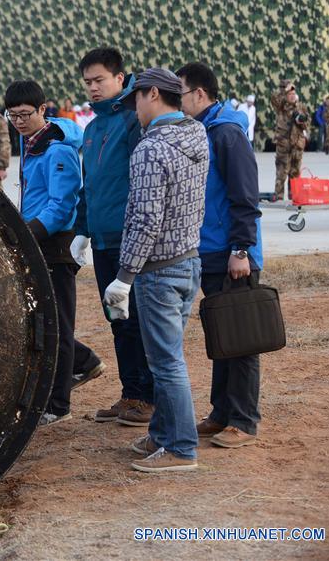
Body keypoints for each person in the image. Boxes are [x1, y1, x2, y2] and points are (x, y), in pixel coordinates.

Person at [107, 67, 208, 473]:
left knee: (166, 363)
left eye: (135, 98)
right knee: (167, 359)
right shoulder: (194, 135)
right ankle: (163, 434)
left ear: (151, 95)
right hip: (187, 261)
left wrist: (125, 276)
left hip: (158, 271)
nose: (134, 107)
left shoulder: (150, 149)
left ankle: (181, 448)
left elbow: (145, 219)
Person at [177, 62, 264, 450]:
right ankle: (220, 412)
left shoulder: (227, 133)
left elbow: (245, 196)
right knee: (220, 334)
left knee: (241, 337)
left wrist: (241, 249)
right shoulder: (203, 131)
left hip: (233, 252)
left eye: (179, 94)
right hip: (209, 250)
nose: (175, 103)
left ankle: (244, 419)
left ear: (199, 94)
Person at [5, 79, 101, 426]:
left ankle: (58, 406)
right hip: (38, 238)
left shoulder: (57, 149)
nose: (18, 121)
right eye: (13, 115)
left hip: (55, 243)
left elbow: (62, 203)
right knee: (45, 320)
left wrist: (29, 232)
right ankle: (85, 362)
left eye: (25, 114)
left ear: (43, 110)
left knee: (57, 325)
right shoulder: (30, 143)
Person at [73, 47, 154, 426]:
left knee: (137, 320)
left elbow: (142, 183)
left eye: (99, 80)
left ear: (120, 78)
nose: (93, 88)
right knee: (117, 319)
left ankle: (148, 397)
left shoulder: (132, 122)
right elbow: (91, 187)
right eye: (88, 82)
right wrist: (82, 231)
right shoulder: (92, 129)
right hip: (103, 241)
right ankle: (130, 393)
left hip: (130, 240)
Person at [271, 80, 308, 199]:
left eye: (294, 94)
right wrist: (285, 89)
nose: (292, 96)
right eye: (289, 94)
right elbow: (274, 98)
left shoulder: (301, 107)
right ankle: (279, 196)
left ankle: (294, 196)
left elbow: (307, 122)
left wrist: (300, 121)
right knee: (281, 172)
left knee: (295, 173)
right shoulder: (281, 106)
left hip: (297, 145)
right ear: (286, 95)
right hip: (284, 144)